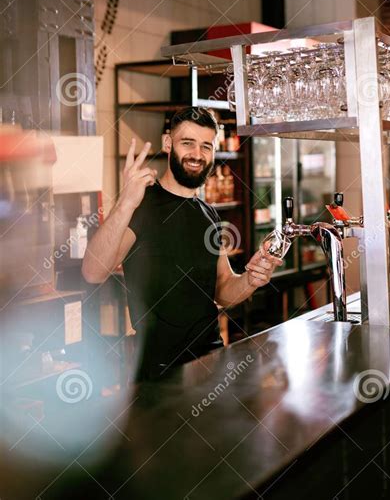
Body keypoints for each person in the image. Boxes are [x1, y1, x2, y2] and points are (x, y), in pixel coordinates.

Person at [82, 107, 282, 380]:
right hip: (160, 369)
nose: (197, 155)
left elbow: (222, 289)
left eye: (205, 146)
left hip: (210, 361)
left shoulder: (208, 213)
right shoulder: (142, 205)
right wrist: (126, 202)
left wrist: (251, 279)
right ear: (168, 144)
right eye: (187, 143)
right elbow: (93, 271)